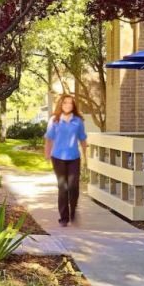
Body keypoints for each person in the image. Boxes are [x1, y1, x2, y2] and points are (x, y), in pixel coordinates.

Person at [44, 94, 88, 227]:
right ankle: (64, 218)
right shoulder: (54, 120)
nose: (68, 105)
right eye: (65, 103)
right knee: (63, 188)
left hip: (74, 157)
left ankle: (73, 211)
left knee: (73, 187)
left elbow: (82, 138)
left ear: (73, 106)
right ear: (60, 105)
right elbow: (49, 139)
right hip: (58, 158)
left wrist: (86, 156)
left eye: (70, 103)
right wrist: (47, 155)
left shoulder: (78, 121)